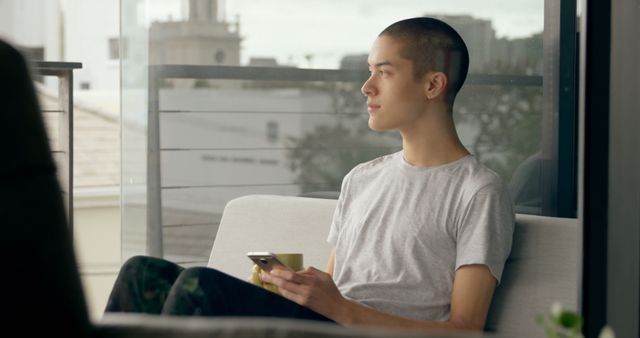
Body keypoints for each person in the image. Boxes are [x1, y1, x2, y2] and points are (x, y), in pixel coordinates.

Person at [106, 17, 514, 332]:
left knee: (200, 285)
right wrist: (298, 290)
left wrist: (340, 309)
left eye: (384, 72)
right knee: (142, 272)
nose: (366, 87)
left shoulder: (477, 191)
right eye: (370, 71)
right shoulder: (362, 178)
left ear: (432, 85)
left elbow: (465, 331)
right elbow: (338, 288)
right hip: (327, 326)